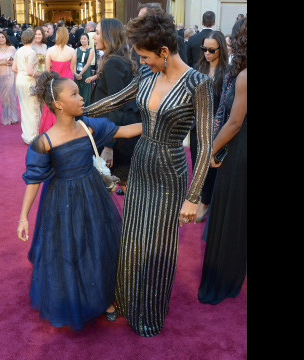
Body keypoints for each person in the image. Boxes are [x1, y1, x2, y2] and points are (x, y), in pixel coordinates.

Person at [83, 8, 213, 337]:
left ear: (165, 52)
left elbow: (206, 144)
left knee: (157, 246)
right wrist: (78, 112)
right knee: (133, 238)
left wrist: (193, 197)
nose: (142, 62)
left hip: (169, 171)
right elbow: (114, 99)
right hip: (141, 161)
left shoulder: (199, 84)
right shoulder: (147, 76)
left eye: (145, 56)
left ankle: (149, 314)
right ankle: (128, 303)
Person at [17, 71, 143, 330]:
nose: (82, 97)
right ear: (59, 104)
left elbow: (124, 130)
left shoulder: (88, 126)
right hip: (61, 202)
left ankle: (106, 298)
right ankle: (73, 297)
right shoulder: (44, 142)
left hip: (92, 195)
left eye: (79, 91)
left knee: (98, 246)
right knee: (70, 249)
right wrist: (23, 217)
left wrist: (158, 122)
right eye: (74, 94)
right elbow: (33, 179)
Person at [197, 17, 247, 305]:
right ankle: (231, 278)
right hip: (240, 151)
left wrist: (209, 151)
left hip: (238, 154)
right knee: (237, 219)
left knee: (229, 218)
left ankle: (223, 281)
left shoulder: (243, 76)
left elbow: (234, 123)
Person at [83, 18, 141, 196]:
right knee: (124, 182)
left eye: (98, 33)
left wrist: (109, 146)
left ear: (109, 35)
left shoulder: (113, 63)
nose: (94, 37)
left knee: (126, 183)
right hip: (118, 130)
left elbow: (117, 105)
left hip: (118, 134)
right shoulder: (116, 59)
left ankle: (137, 222)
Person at [192, 31, 229, 221]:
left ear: (220, 49)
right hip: (196, 125)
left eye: (211, 49)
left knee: (210, 164)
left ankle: (205, 201)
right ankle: (198, 197)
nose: (207, 53)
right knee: (197, 162)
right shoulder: (197, 67)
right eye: (204, 48)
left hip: (215, 127)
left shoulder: (227, 72)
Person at [38, 26, 76, 133]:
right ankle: (67, 131)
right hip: (67, 81)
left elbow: (46, 71)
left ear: (57, 35)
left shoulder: (50, 50)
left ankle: (51, 130)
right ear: (67, 36)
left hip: (54, 81)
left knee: (52, 106)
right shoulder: (72, 51)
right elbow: (72, 69)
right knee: (67, 106)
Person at [12, 29, 42, 144]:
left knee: (24, 108)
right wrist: (41, 74)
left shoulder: (18, 51)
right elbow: (30, 72)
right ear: (33, 38)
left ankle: (27, 135)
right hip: (28, 82)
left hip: (19, 80)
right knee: (33, 108)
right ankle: (33, 136)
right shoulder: (31, 52)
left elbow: (14, 69)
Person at [0, 31, 20, 125]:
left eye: (2, 37)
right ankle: (6, 117)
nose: (1, 39)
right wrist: (3, 63)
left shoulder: (12, 48)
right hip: (0, 75)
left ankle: (14, 117)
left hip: (11, 73)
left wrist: (11, 63)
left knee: (11, 94)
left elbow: (17, 61)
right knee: (3, 96)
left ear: (6, 38)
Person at [74, 33, 94, 106]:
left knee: (86, 93)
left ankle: (85, 111)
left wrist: (81, 74)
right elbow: (74, 63)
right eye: (81, 39)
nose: (83, 40)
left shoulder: (91, 50)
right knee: (77, 92)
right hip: (77, 73)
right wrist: (75, 73)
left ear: (88, 40)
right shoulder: (77, 49)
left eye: (84, 39)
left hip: (85, 74)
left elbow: (88, 63)